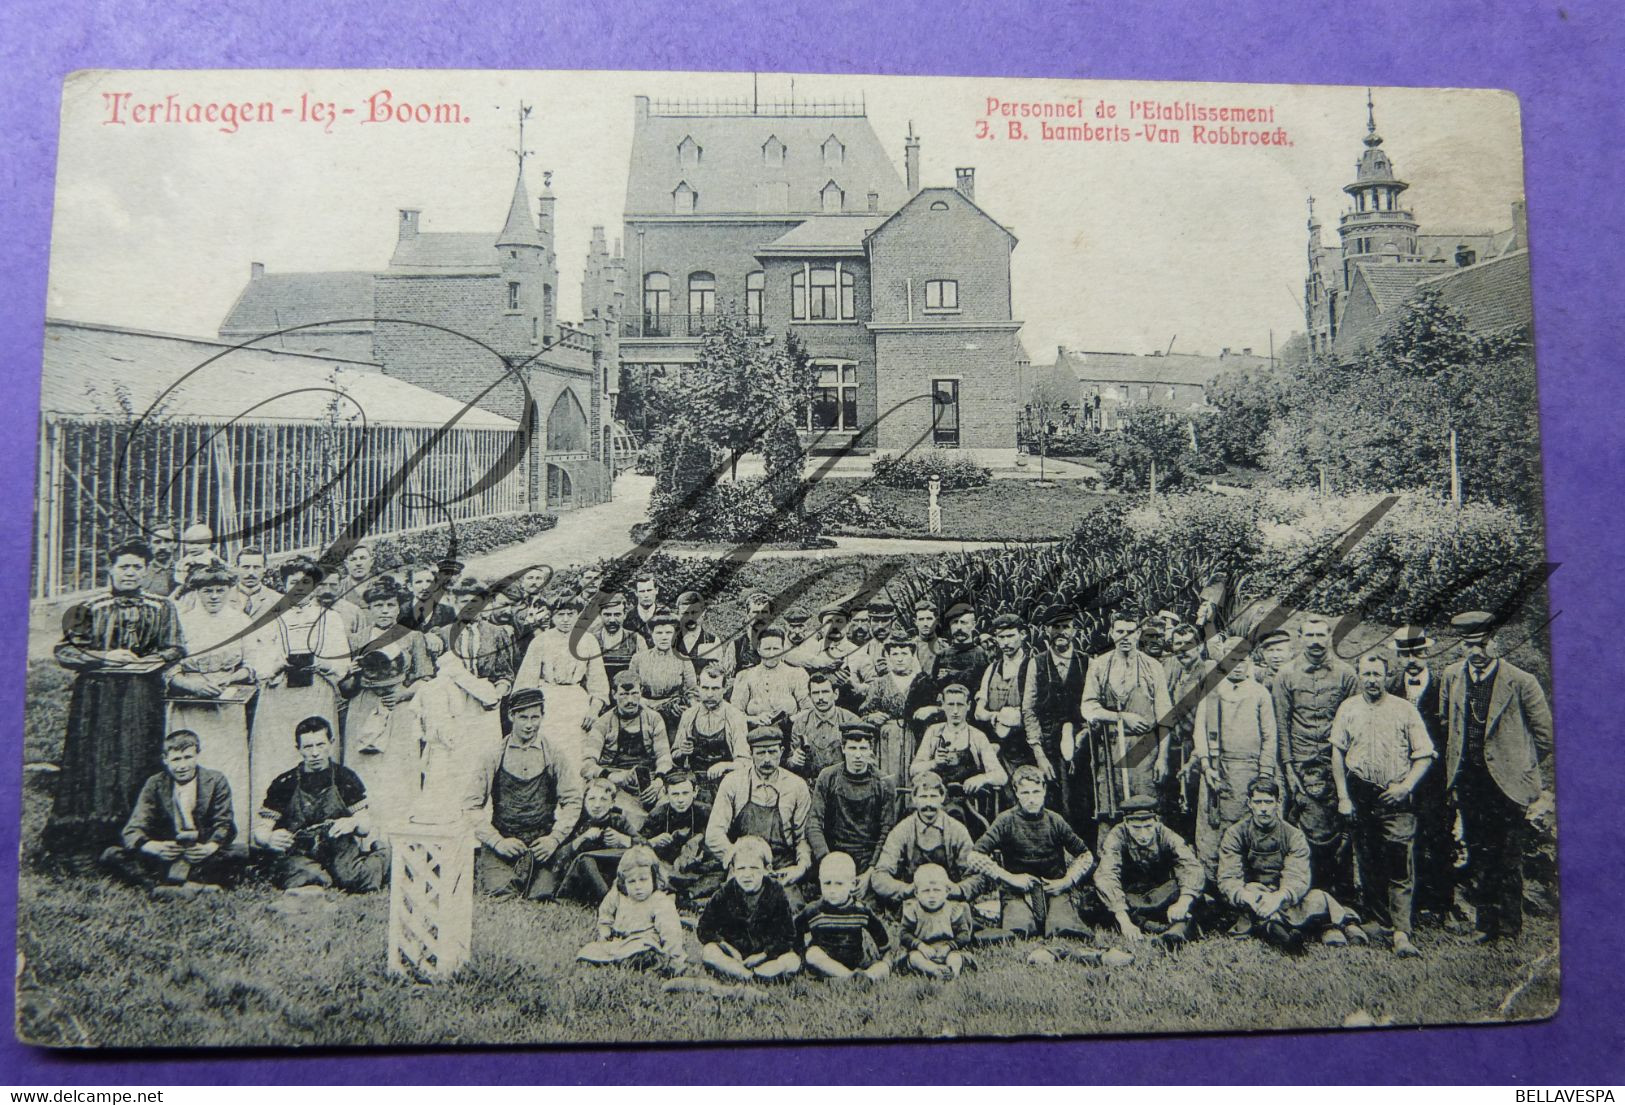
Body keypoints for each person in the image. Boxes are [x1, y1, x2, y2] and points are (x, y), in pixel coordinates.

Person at [45, 538, 185, 856]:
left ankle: (136, 832)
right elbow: (65, 651)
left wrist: (154, 661)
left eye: (137, 567)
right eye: (124, 566)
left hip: (141, 695)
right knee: (95, 758)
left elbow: (176, 646)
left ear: (147, 570)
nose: (130, 573)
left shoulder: (163, 607)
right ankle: (88, 833)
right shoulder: (90, 607)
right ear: (111, 569)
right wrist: (106, 657)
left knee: (137, 757)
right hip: (96, 698)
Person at [1440, 610, 1553, 944]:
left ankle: (1509, 928)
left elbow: (1545, 736)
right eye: (1469, 645)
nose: (1476, 653)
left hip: (1507, 786)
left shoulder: (1521, 681)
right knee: (1478, 853)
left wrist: (1517, 766)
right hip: (1470, 782)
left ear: (1496, 642)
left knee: (1507, 855)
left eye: (1483, 645)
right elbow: (1448, 725)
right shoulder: (1452, 677)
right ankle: (1484, 925)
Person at [1330, 653, 1434, 958]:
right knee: (1368, 859)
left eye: (1377, 674)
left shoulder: (1404, 710)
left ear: (1387, 677)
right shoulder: (1348, 708)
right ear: (1359, 676)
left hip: (1395, 797)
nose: (1372, 680)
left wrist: (1406, 787)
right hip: (1361, 795)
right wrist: (1344, 796)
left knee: (1399, 862)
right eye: (1367, 674)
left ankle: (1402, 932)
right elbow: (1337, 754)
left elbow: (1424, 754)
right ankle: (1380, 921)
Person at [247, 556, 351, 815]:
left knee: (316, 752)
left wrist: (322, 663)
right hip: (278, 696)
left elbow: (342, 662)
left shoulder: (330, 618)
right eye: (293, 583)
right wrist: (275, 665)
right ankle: (273, 820)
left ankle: (320, 818)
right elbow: (256, 660)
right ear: (284, 585)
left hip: (315, 692)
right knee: (280, 753)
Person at [1217, 776, 1364, 953]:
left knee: (1317, 898)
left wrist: (1279, 897)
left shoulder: (1293, 835)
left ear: (1278, 803)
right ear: (1249, 803)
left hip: (1284, 896)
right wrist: (1244, 895)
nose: (1263, 808)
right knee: (1254, 904)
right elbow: (1228, 876)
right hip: (1255, 895)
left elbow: (1297, 874)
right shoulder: (1235, 834)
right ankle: (1287, 933)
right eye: (1258, 802)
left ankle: (1345, 924)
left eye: (1268, 802)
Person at [463, 687, 583, 899]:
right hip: (505, 840)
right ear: (511, 716)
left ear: (543, 717)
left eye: (535, 717)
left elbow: (573, 800)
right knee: (500, 890)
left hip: (542, 843)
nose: (530, 725)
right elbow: (471, 806)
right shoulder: (493, 755)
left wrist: (554, 839)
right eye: (523, 717)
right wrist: (497, 841)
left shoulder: (554, 753)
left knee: (543, 893)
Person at [167, 562, 258, 841]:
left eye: (220, 590)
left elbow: (252, 663)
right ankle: (187, 836)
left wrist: (230, 679)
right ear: (196, 591)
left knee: (228, 766)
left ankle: (231, 839)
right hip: (190, 706)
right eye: (208, 591)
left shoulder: (240, 620)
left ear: (230, 590)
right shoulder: (182, 620)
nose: (214, 596)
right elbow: (169, 668)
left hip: (227, 708)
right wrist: (192, 684)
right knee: (189, 764)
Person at [1270, 615, 1358, 899]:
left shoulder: (1346, 674)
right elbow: (1282, 726)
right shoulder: (1286, 675)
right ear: (1300, 638)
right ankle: (1314, 896)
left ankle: (1345, 900)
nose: (1316, 642)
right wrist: (1289, 769)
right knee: (1309, 834)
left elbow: (1355, 723)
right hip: (1302, 767)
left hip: (1339, 766)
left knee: (1343, 832)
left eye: (1322, 635)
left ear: (1330, 637)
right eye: (1310, 636)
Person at [100, 729, 246, 894]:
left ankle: (176, 885)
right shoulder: (155, 784)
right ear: (165, 760)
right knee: (112, 854)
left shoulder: (216, 780)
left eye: (188, 757)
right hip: (167, 852)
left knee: (241, 852)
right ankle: (170, 887)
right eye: (176, 759)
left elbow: (224, 823)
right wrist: (152, 846)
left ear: (197, 755)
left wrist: (209, 847)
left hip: (200, 853)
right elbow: (134, 828)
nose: (183, 766)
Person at [255, 716, 388, 894]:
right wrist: (268, 838)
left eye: (321, 744)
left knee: (357, 880)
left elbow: (364, 827)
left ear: (331, 743)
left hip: (338, 848)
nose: (315, 753)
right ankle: (323, 875)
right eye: (308, 747)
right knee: (308, 877)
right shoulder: (284, 782)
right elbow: (261, 830)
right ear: (298, 749)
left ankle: (382, 855)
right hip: (298, 850)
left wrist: (353, 823)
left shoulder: (345, 777)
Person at [1190, 638, 1278, 880]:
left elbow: (1270, 736)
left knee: (1246, 827)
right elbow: (1200, 731)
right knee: (1212, 827)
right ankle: (1210, 883)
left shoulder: (1260, 694)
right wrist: (1207, 766)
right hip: (1216, 770)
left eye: (1243, 660)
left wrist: (1264, 773)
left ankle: (1245, 881)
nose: (1238, 666)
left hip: (1249, 772)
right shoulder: (1212, 692)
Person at [973, 765, 1096, 939]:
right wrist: (1010, 878)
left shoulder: (1055, 820)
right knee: (1019, 932)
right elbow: (975, 855)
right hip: (1017, 890)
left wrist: (1067, 881)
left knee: (1065, 930)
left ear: (1044, 790)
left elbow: (1085, 855)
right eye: (1025, 793)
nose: (1031, 799)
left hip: (1054, 889)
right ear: (1016, 792)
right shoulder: (1005, 820)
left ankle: (1058, 919)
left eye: (1036, 792)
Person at [1080, 612, 1174, 836]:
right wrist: (1121, 718)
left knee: (1146, 810)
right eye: (1120, 631)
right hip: (1111, 751)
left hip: (1144, 752)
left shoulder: (1153, 667)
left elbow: (1165, 716)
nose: (1125, 637)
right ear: (1112, 634)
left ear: (1139, 634)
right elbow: (1088, 707)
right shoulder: (1099, 666)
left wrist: (1163, 758)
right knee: (1110, 811)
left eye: (1131, 632)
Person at [1388, 625, 1457, 925]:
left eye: (1417, 653)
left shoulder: (1444, 688)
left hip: (1435, 779)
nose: (1412, 660)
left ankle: (1441, 904)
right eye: (1405, 654)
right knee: (1403, 837)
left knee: (1437, 836)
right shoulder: (1390, 688)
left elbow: (1453, 734)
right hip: (1400, 776)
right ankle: (1408, 904)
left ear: (1428, 653)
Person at [705, 727, 814, 911]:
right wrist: (736, 861)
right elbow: (714, 833)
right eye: (760, 753)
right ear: (750, 753)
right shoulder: (733, 782)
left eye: (772, 752)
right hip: (743, 861)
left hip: (780, 866)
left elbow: (803, 837)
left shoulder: (797, 786)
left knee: (788, 910)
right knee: (733, 911)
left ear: (781, 752)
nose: (766, 759)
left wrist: (801, 867)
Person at [1090, 794, 1206, 946]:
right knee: (1096, 903)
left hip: (1162, 895)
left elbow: (1190, 865)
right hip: (1131, 897)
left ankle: (1173, 930)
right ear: (1126, 823)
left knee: (1196, 898)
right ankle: (1150, 924)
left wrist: (1183, 901)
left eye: (1148, 827)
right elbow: (1107, 875)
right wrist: (1124, 920)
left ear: (1156, 822)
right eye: (1136, 828)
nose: (1143, 835)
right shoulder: (1116, 836)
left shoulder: (1166, 834)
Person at [871, 770, 989, 908]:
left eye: (933, 796)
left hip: (950, 903)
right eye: (923, 797)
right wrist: (906, 890)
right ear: (914, 799)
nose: (929, 804)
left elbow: (977, 876)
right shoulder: (902, 830)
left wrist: (957, 890)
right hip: (913, 903)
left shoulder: (957, 830)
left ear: (942, 797)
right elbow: (879, 876)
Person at [806, 723, 897, 895]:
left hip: (868, 858)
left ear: (871, 750)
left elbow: (887, 831)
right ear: (843, 748)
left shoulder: (884, 783)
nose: (857, 755)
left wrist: (870, 873)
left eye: (863, 749)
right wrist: (827, 861)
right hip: (833, 854)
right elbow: (813, 824)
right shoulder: (828, 777)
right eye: (852, 748)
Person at [696, 835, 802, 982]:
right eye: (741, 868)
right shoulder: (725, 892)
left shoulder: (776, 891)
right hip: (734, 955)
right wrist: (727, 947)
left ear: (767, 869)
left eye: (754, 868)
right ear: (733, 870)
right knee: (709, 951)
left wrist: (763, 955)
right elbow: (704, 928)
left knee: (792, 960)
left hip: (766, 955)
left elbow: (787, 934)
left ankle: (762, 974)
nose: (747, 874)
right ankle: (742, 973)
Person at [909, 683, 1007, 835]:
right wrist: (934, 763)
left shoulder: (977, 736)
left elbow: (1001, 776)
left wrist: (982, 778)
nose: (955, 711)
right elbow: (914, 769)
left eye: (960, 705)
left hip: (965, 803)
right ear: (943, 705)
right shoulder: (934, 732)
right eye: (950, 704)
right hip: (933, 798)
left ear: (968, 706)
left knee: (955, 816)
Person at [515, 594, 610, 751]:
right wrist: (529, 713)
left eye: (570, 614)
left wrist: (594, 711)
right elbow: (526, 681)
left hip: (576, 702)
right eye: (560, 614)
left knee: (576, 749)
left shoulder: (589, 640)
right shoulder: (540, 641)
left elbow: (598, 682)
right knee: (547, 748)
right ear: (552, 616)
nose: (565, 619)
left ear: (578, 615)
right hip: (547, 700)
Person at [582, 670, 673, 829]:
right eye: (624, 694)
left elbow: (664, 757)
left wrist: (658, 781)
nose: (630, 700)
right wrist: (611, 776)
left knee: (668, 807)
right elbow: (586, 765)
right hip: (614, 783)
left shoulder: (654, 718)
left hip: (647, 779)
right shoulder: (603, 723)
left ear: (641, 693)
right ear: (614, 694)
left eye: (634, 693)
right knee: (624, 814)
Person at [577, 844, 688, 974]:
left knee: (645, 953)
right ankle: (618, 961)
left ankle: (647, 963)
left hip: (644, 942)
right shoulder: (619, 895)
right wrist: (605, 930)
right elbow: (605, 913)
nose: (638, 887)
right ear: (623, 881)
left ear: (654, 877)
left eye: (643, 880)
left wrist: (673, 956)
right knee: (588, 951)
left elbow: (671, 932)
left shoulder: (659, 900)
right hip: (620, 942)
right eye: (632, 882)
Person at [1029, 604, 1087, 826]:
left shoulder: (1086, 662)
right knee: (1053, 802)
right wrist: (1038, 752)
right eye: (1056, 627)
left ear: (1074, 631)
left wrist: (1085, 732)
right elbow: (1029, 709)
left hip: (1081, 744)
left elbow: (1093, 704)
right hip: (1048, 744)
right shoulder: (1037, 663)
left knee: (1082, 800)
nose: (1061, 632)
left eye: (1067, 626)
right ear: (1046, 630)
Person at [857, 627, 937, 787]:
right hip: (887, 744)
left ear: (912, 655)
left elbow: (941, 708)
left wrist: (932, 710)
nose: (899, 659)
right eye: (895, 654)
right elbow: (863, 714)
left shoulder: (924, 682)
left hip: (917, 738)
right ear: (887, 656)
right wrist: (871, 717)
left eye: (904, 654)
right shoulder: (880, 683)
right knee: (888, 784)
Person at [796, 851, 892, 981]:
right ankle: (848, 977)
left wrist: (885, 955)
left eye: (839, 884)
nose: (832, 890)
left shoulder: (861, 910)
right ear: (820, 882)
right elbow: (795, 932)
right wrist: (800, 954)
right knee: (813, 953)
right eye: (827, 883)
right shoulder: (814, 911)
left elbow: (880, 935)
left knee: (883, 967)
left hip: (855, 961)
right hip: (826, 964)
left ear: (852, 884)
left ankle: (867, 977)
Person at [975, 612, 1048, 779]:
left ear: (1022, 635)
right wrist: (997, 716)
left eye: (1010, 636)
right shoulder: (992, 669)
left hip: (1025, 747)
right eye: (1001, 637)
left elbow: (1040, 711)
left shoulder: (1034, 665)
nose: (1005, 642)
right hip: (997, 748)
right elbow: (979, 712)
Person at [1160, 622, 1215, 843]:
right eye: (1178, 644)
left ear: (1200, 647)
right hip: (1176, 747)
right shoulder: (1174, 671)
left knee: (1194, 804)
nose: (1182, 650)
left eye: (1188, 644)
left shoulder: (1207, 672)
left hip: (1198, 750)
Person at [550, 776, 641, 903]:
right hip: (581, 881)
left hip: (610, 877)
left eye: (603, 799)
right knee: (586, 861)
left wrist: (624, 840)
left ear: (612, 803)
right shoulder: (575, 821)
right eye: (592, 799)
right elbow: (558, 857)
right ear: (584, 801)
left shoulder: (618, 821)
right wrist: (582, 838)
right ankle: (609, 902)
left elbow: (645, 847)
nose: (597, 805)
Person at [671, 664, 751, 802]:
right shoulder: (689, 715)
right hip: (694, 781)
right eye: (705, 688)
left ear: (724, 689)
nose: (709, 694)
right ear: (698, 687)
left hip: (726, 781)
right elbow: (674, 756)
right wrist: (682, 751)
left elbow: (745, 762)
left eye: (715, 689)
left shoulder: (735, 717)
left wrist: (725, 765)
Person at [897, 863, 974, 979]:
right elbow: (904, 934)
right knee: (915, 958)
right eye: (926, 891)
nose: (932, 895)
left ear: (947, 892)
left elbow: (964, 934)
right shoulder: (913, 910)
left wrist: (949, 946)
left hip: (948, 950)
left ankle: (953, 972)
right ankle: (933, 970)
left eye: (937, 890)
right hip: (924, 951)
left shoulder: (953, 909)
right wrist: (920, 946)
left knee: (955, 958)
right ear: (916, 893)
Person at [626, 609, 697, 732]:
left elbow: (692, 692)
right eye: (659, 633)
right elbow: (630, 689)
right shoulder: (638, 659)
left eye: (668, 632)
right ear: (652, 634)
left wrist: (690, 709)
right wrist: (641, 702)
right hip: (644, 712)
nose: (664, 637)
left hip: (673, 715)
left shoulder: (684, 660)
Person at [731, 625, 812, 732]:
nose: (772, 654)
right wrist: (753, 719)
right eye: (767, 649)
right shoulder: (745, 676)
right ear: (759, 649)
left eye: (776, 649)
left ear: (783, 649)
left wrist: (789, 721)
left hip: (790, 734)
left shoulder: (797, 674)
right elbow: (734, 713)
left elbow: (809, 709)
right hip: (754, 736)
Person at [786, 672, 857, 782]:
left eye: (825, 692)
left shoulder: (850, 721)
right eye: (815, 693)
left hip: (844, 784)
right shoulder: (800, 724)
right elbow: (791, 763)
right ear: (809, 696)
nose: (820, 698)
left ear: (835, 694)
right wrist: (794, 760)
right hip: (812, 785)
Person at [675, 591, 736, 686]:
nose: (691, 618)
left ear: (703, 613)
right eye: (685, 613)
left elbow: (717, 674)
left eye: (695, 613)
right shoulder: (670, 641)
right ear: (678, 614)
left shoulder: (713, 641)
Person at [933, 602, 989, 701]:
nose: (959, 627)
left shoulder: (981, 654)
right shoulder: (942, 655)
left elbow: (983, 687)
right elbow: (935, 686)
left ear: (973, 625)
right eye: (955, 622)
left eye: (963, 622)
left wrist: (951, 674)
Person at [592, 592, 645, 689]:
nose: (612, 620)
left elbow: (643, 675)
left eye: (617, 614)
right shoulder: (591, 640)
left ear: (624, 615)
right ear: (600, 615)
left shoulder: (636, 639)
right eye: (607, 615)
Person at [399, 563, 458, 634]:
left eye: (429, 581)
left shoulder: (447, 611)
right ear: (410, 586)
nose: (425, 587)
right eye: (418, 582)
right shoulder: (401, 610)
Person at [731, 591, 776, 673]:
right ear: (747, 615)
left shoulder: (780, 643)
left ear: (771, 615)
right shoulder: (736, 646)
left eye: (764, 612)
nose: (759, 617)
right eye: (755, 612)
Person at [227, 546, 277, 619]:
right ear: (236, 567)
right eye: (246, 567)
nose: (251, 573)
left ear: (265, 568)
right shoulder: (224, 599)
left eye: (256, 567)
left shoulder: (277, 600)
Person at [911, 598, 945, 679]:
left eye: (929, 619)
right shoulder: (910, 647)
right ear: (915, 622)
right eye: (921, 619)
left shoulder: (944, 646)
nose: (925, 624)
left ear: (936, 621)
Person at [624, 574, 662, 644]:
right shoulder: (628, 617)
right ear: (636, 593)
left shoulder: (664, 614)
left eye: (649, 590)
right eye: (642, 591)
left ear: (656, 590)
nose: (646, 595)